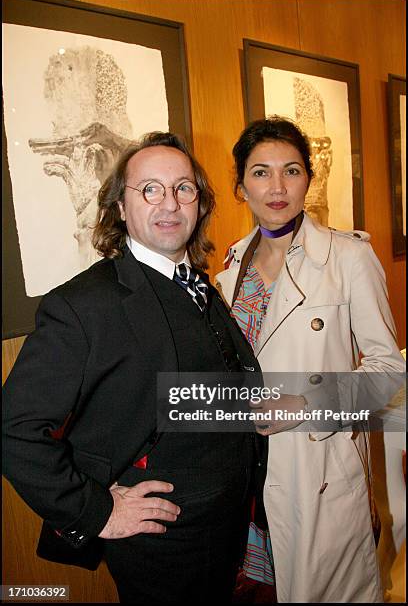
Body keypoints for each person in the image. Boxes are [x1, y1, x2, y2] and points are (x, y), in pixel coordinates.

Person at [2, 132, 265, 605]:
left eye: (184, 188)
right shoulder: (83, 305)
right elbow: (12, 430)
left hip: (225, 526)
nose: (170, 203)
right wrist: (97, 511)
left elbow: (179, 396)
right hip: (161, 543)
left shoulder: (200, 285)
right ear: (120, 207)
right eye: (150, 189)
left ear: (200, 203)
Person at [215, 116, 405, 603]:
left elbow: (388, 372)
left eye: (291, 170)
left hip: (318, 467)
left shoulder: (347, 257)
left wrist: (305, 402)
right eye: (260, 173)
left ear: (308, 179)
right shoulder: (229, 269)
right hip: (252, 470)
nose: (276, 187)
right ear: (240, 187)